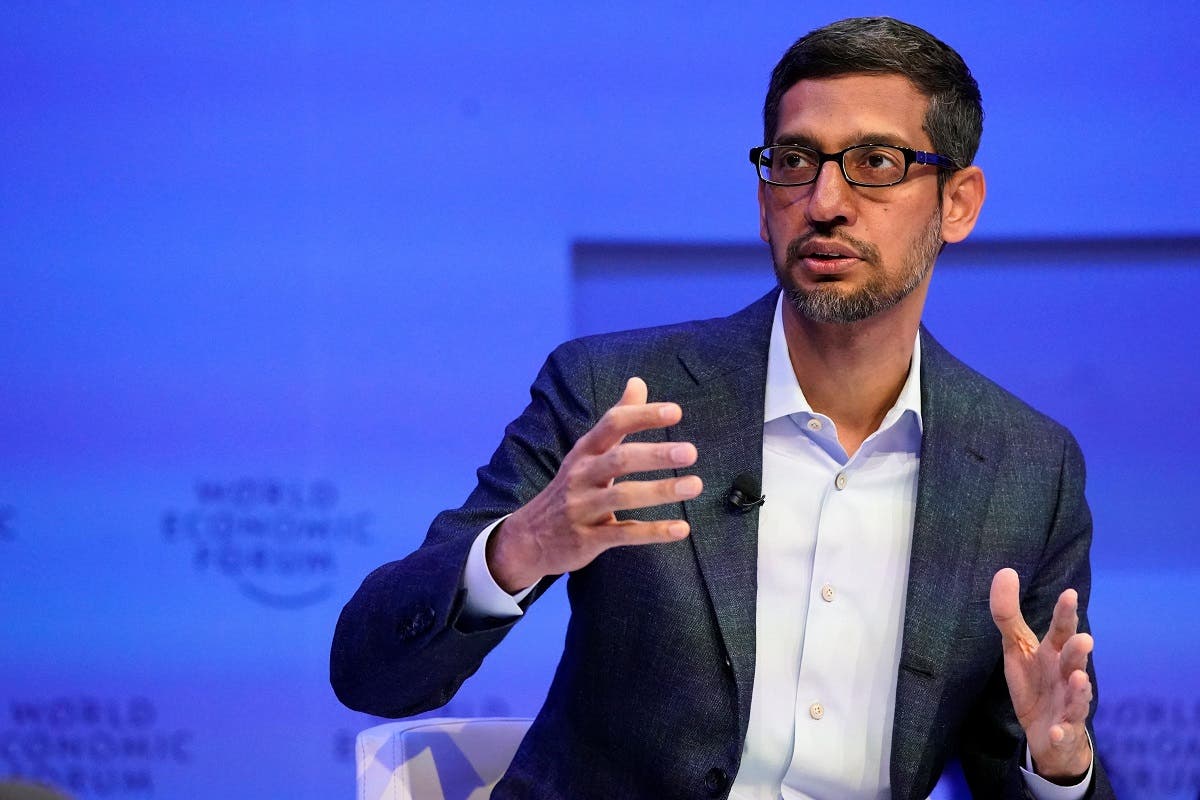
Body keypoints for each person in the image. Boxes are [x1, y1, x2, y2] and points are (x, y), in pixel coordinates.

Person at [331, 16, 1112, 800]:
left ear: (958, 203)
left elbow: (1030, 755)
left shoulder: (1023, 470)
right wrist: (522, 545)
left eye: (876, 162)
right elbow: (371, 672)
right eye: (794, 161)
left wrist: (1058, 766)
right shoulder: (617, 396)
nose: (825, 200)